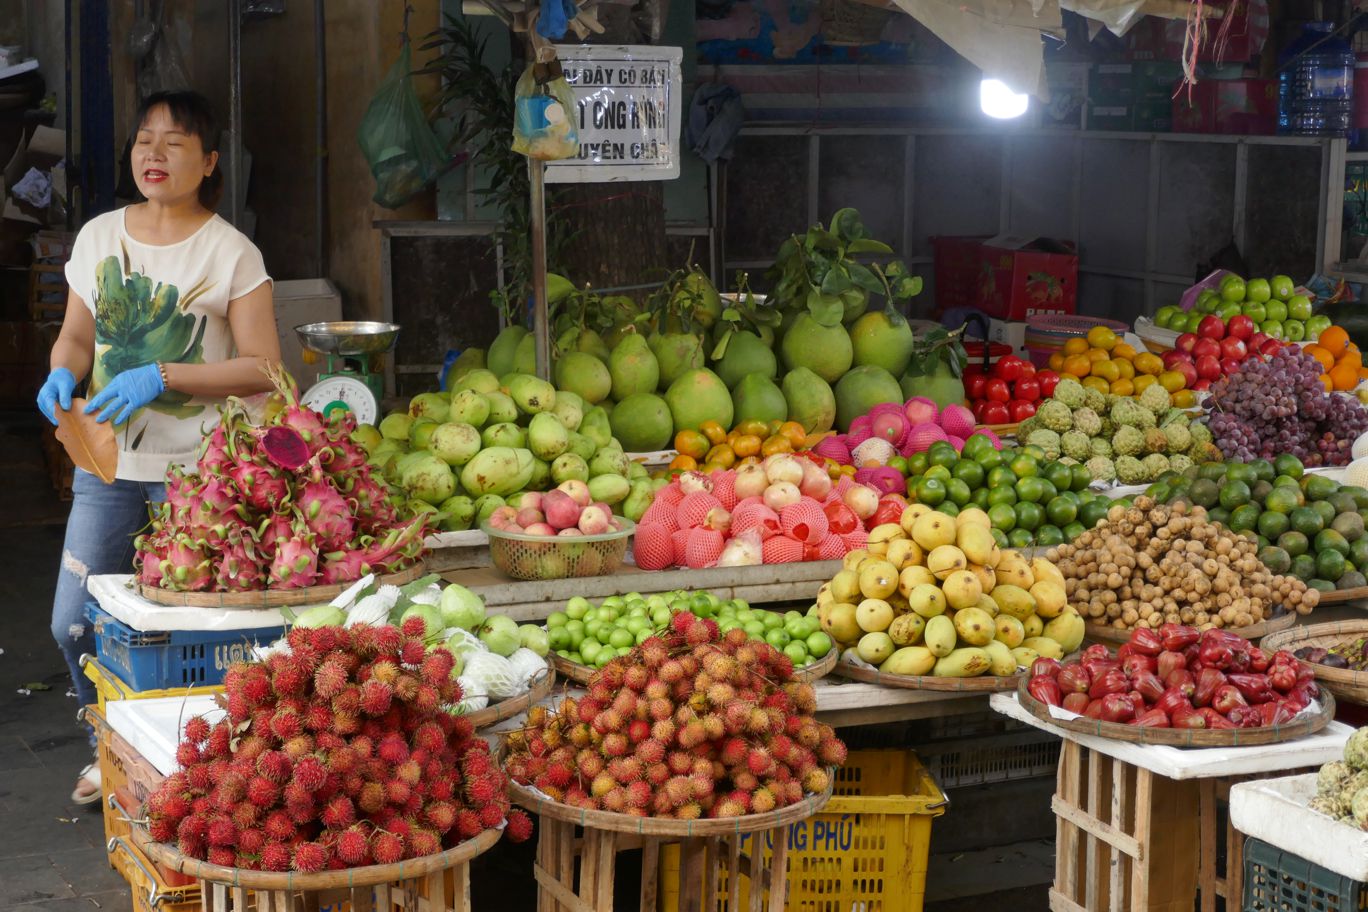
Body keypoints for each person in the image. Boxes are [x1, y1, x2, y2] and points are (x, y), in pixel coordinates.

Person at [36, 90, 281, 805]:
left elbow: (266, 367)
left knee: (187, 632)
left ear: (208, 163)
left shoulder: (232, 253)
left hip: (202, 475)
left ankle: (193, 768)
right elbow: (76, 336)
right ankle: (106, 745)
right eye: (145, 139)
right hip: (106, 465)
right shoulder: (98, 238)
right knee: (73, 622)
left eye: (175, 143)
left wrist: (164, 376)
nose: (154, 154)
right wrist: (60, 371)